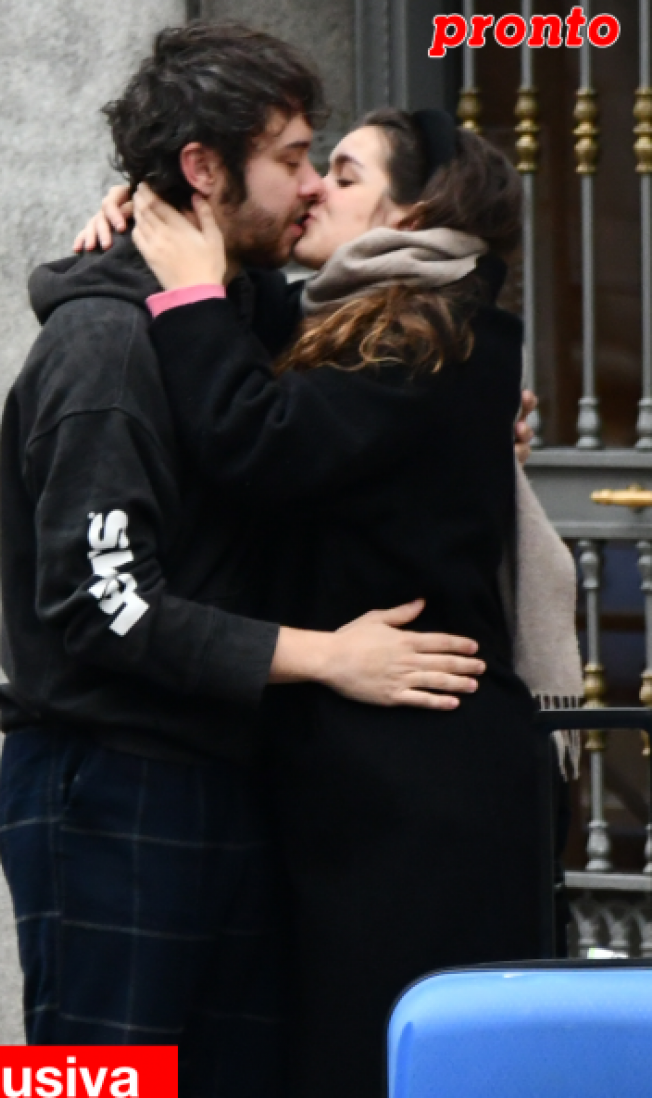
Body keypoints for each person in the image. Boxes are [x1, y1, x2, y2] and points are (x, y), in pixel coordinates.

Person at [0, 24, 488, 1095]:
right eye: (293, 160)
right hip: (112, 783)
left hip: (218, 777)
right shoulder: (106, 347)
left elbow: (313, 404)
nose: (312, 188)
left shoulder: (236, 313)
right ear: (204, 170)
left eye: (324, 162)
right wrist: (322, 657)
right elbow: (103, 604)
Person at [90, 106, 552, 1098]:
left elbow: (254, 441)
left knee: (388, 1062)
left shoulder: (439, 338)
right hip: (363, 771)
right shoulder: (362, 318)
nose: (310, 188)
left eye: (339, 172)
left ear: (414, 205)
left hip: (420, 784)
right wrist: (138, 222)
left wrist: (183, 295)